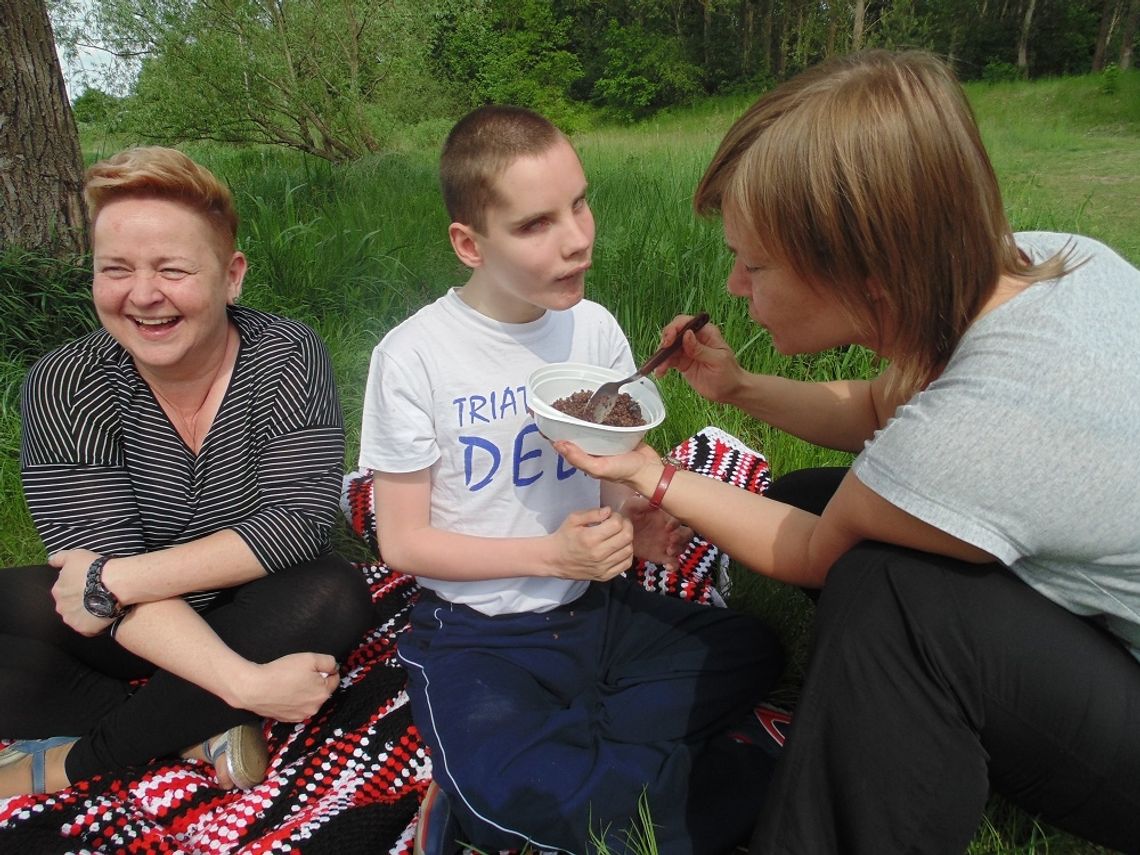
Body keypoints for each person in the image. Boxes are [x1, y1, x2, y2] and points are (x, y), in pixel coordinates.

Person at [555, 49, 1140, 854]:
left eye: (754, 264)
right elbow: (881, 406)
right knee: (816, 491)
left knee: (888, 592)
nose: (733, 285)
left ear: (866, 269)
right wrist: (736, 388)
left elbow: (815, 554)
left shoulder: (988, 422)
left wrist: (648, 471)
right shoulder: (1036, 261)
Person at [358, 105, 785, 855]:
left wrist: (634, 520)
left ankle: (577, 753)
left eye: (579, 203)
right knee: (502, 806)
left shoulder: (593, 330)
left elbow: (610, 474)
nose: (577, 237)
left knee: (754, 649)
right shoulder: (415, 357)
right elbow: (403, 539)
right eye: (534, 225)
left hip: (596, 610)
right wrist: (548, 555)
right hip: (479, 637)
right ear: (469, 242)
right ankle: (699, 776)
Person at [0, 147, 374, 799]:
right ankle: (200, 726)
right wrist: (242, 683)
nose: (142, 295)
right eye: (115, 269)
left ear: (232, 276)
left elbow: (298, 523)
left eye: (172, 269)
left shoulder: (287, 354)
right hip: (125, 625)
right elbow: (94, 580)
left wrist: (118, 577)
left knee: (334, 593)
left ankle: (76, 761)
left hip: (255, 602)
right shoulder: (64, 383)